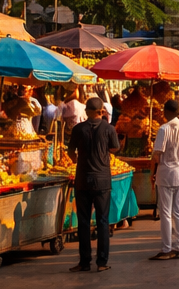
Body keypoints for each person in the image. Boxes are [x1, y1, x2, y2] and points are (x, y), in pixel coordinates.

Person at [67, 97, 120, 272]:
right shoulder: (109, 129)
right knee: (103, 221)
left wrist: (79, 160)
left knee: (83, 221)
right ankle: (102, 262)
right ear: (101, 112)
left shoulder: (78, 129)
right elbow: (114, 148)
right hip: (102, 180)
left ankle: (84, 262)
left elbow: (71, 152)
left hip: (83, 179)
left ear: (87, 111)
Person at [150, 99, 179, 260]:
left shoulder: (164, 129)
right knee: (178, 211)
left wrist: (152, 172)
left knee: (166, 212)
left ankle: (166, 248)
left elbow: (157, 154)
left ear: (165, 111)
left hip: (165, 173)